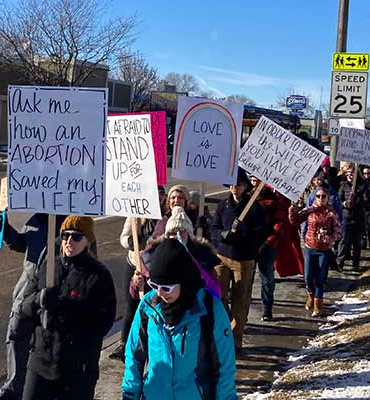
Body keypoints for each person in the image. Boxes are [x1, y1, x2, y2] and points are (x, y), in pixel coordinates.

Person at [121, 238, 237, 400]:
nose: (159, 293)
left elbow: (224, 365)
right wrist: (130, 394)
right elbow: (135, 355)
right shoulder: (148, 305)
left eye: (167, 287)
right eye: (154, 285)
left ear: (183, 281)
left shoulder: (209, 309)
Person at [20, 216, 116, 400]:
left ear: (88, 239)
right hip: (42, 361)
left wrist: (68, 312)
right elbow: (24, 307)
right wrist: (40, 300)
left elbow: (103, 323)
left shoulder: (98, 275)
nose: (69, 241)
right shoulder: (48, 266)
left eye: (76, 237)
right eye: (65, 235)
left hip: (77, 367)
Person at [0, 212, 67, 400]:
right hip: (26, 289)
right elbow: (24, 244)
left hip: (55, 295)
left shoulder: (73, 223)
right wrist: (6, 231)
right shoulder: (37, 219)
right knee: (16, 335)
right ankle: (12, 389)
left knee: (48, 342)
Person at [209, 168, 266, 353]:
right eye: (232, 183)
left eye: (239, 184)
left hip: (244, 259)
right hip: (222, 257)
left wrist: (245, 232)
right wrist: (222, 235)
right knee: (219, 296)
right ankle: (222, 331)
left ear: (245, 186)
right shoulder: (223, 205)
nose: (235, 187)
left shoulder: (255, 208)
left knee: (240, 301)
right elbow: (214, 229)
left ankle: (235, 340)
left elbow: (262, 233)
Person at [108, 186, 164, 362]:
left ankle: (147, 341)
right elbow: (123, 238)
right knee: (131, 304)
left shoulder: (164, 218)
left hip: (153, 269)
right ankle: (125, 343)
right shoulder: (135, 216)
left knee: (150, 304)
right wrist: (131, 242)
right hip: (134, 264)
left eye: (161, 194)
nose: (158, 197)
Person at [289, 186, 341, 316]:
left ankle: (318, 305)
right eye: (318, 196)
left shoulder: (331, 213)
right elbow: (295, 221)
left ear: (328, 198)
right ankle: (310, 296)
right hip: (309, 247)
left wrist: (329, 237)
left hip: (324, 250)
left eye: (323, 196)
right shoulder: (309, 210)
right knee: (307, 277)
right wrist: (292, 212)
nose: (321, 199)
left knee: (320, 278)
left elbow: (339, 232)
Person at [253, 177, 292, 321]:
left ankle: (267, 308)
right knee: (245, 278)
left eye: (257, 181)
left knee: (267, 278)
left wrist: (268, 243)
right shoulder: (247, 200)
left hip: (268, 246)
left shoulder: (274, 200)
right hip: (250, 245)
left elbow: (279, 223)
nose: (254, 184)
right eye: (252, 181)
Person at [336, 167, 366, 272]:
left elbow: (366, 201)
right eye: (348, 173)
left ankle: (356, 264)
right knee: (343, 242)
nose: (350, 175)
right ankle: (340, 263)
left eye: (352, 173)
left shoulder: (361, 186)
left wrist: (356, 197)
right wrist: (344, 203)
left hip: (358, 219)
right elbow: (338, 200)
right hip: (346, 218)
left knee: (357, 243)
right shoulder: (343, 186)